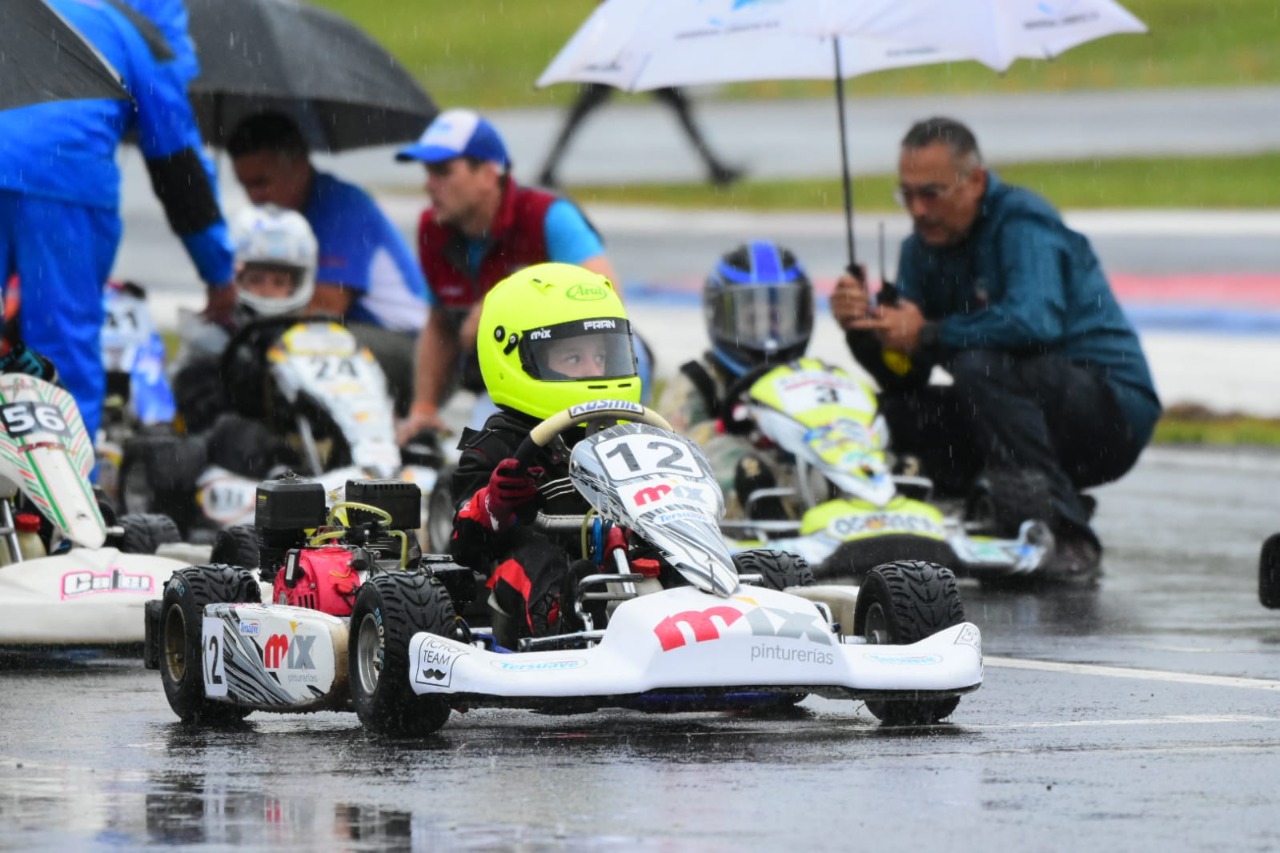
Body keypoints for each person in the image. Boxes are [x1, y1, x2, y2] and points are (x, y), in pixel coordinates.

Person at [830, 116, 1162, 581]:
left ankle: (1068, 531)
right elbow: (908, 374)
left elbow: (1034, 323)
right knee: (890, 413)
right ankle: (976, 508)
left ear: (976, 182)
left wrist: (925, 332)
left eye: (932, 193)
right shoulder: (918, 249)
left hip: (1109, 411)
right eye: (907, 195)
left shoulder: (1023, 223)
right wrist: (867, 331)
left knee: (978, 365)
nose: (918, 209)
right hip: (1012, 405)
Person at [0, 0, 234, 443]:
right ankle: (67, 500)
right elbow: (176, 163)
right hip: (66, 188)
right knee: (61, 356)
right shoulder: (133, 31)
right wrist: (219, 273)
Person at [394, 108, 620, 442]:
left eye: (442, 171)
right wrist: (424, 408)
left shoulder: (549, 215)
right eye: (427, 171)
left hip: (591, 365)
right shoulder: (433, 227)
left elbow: (608, 297)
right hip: (510, 376)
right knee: (481, 458)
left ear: (488, 174)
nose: (430, 184)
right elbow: (439, 322)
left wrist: (501, 301)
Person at [449, 263, 642, 643]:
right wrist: (494, 504)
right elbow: (463, 544)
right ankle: (564, 631)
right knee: (542, 559)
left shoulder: (630, 433)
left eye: (600, 358)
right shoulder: (498, 444)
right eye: (573, 359)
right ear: (518, 358)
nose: (594, 371)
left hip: (617, 559)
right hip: (521, 586)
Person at [226, 112, 429, 416]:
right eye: (246, 186)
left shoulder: (342, 208)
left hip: (410, 348)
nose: (254, 197)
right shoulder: (284, 217)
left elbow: (323, 308)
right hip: (356, 333)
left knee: (297, 349)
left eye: (262, 183)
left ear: (299, 165)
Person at [656, 240, 814, 519]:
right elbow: (666, 456)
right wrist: (737, 427)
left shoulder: (810, 378)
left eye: (777, 318)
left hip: (808, 489)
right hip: (731, 510)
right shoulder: (699, 380)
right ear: (721, 316)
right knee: (731, 454)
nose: (768, 334)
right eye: (754, 319)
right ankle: (768, 513)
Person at [168, 204, 319, 478]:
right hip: (217, 455)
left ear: (298, 283)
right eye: (257, 280)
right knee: (242, 434)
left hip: (290, 443)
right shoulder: (213, 335)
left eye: (279, 282)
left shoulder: (305, 340)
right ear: (237, 278)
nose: (268, 292)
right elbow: (195, 408)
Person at [538, 83, 744, 190]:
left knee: (582, 109)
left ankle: (548, 168)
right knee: (583, 108)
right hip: (626, 44)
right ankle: (714, 167)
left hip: (629, 42)